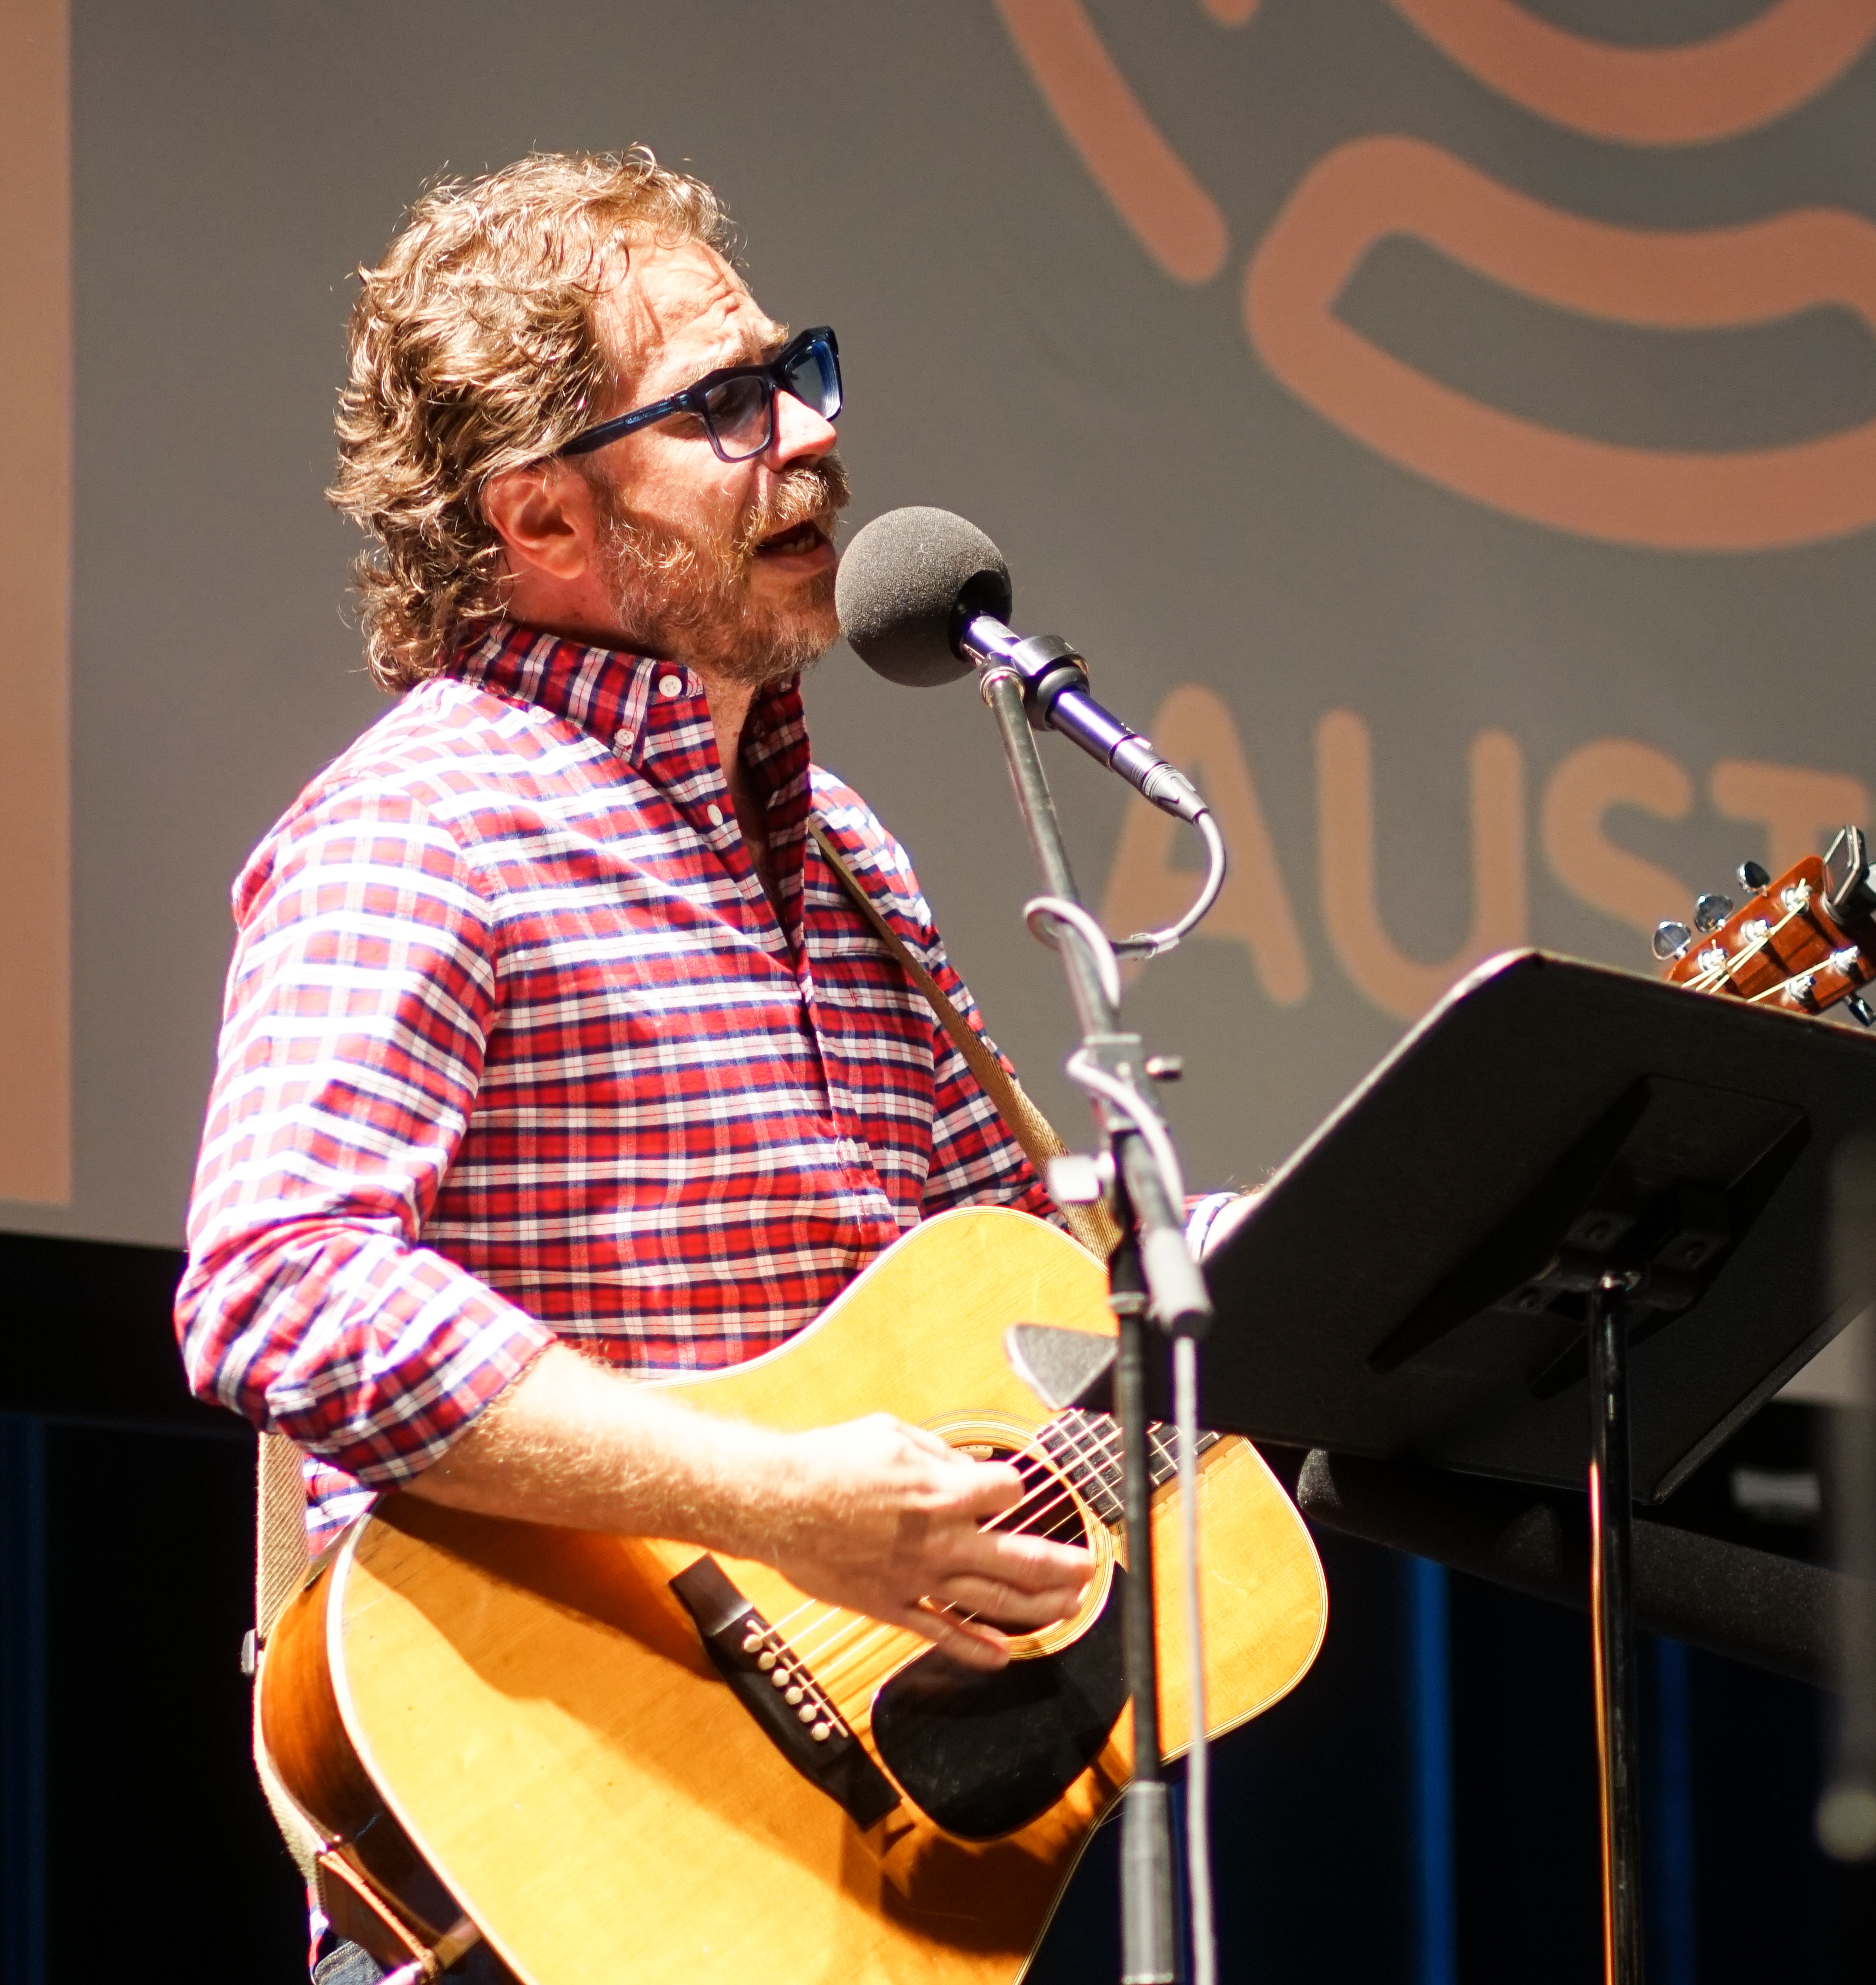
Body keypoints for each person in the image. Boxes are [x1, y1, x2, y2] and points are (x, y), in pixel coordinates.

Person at [173, 150, 1109, 1981]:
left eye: (799, 372)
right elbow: (276, 1290)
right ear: (539, 521)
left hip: (830, 1849)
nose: (811, 440)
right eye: (727, 405)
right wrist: (772, 1506)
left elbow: (1028, 1299)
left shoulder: (843, 854)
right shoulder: (429, 822)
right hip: (562, 1835)